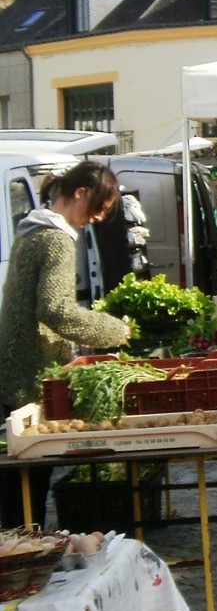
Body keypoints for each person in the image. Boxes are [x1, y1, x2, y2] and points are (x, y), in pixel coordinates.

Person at [0, 162, 132, 528]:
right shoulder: (56, 238)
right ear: (80, 194)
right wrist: (112, 329)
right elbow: (54, 309)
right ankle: (26, 567)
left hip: (14, 365)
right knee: (25, 492)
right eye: (100, 208)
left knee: (15, 490)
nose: (98, 218)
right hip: (27, 375)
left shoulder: (32, 229)